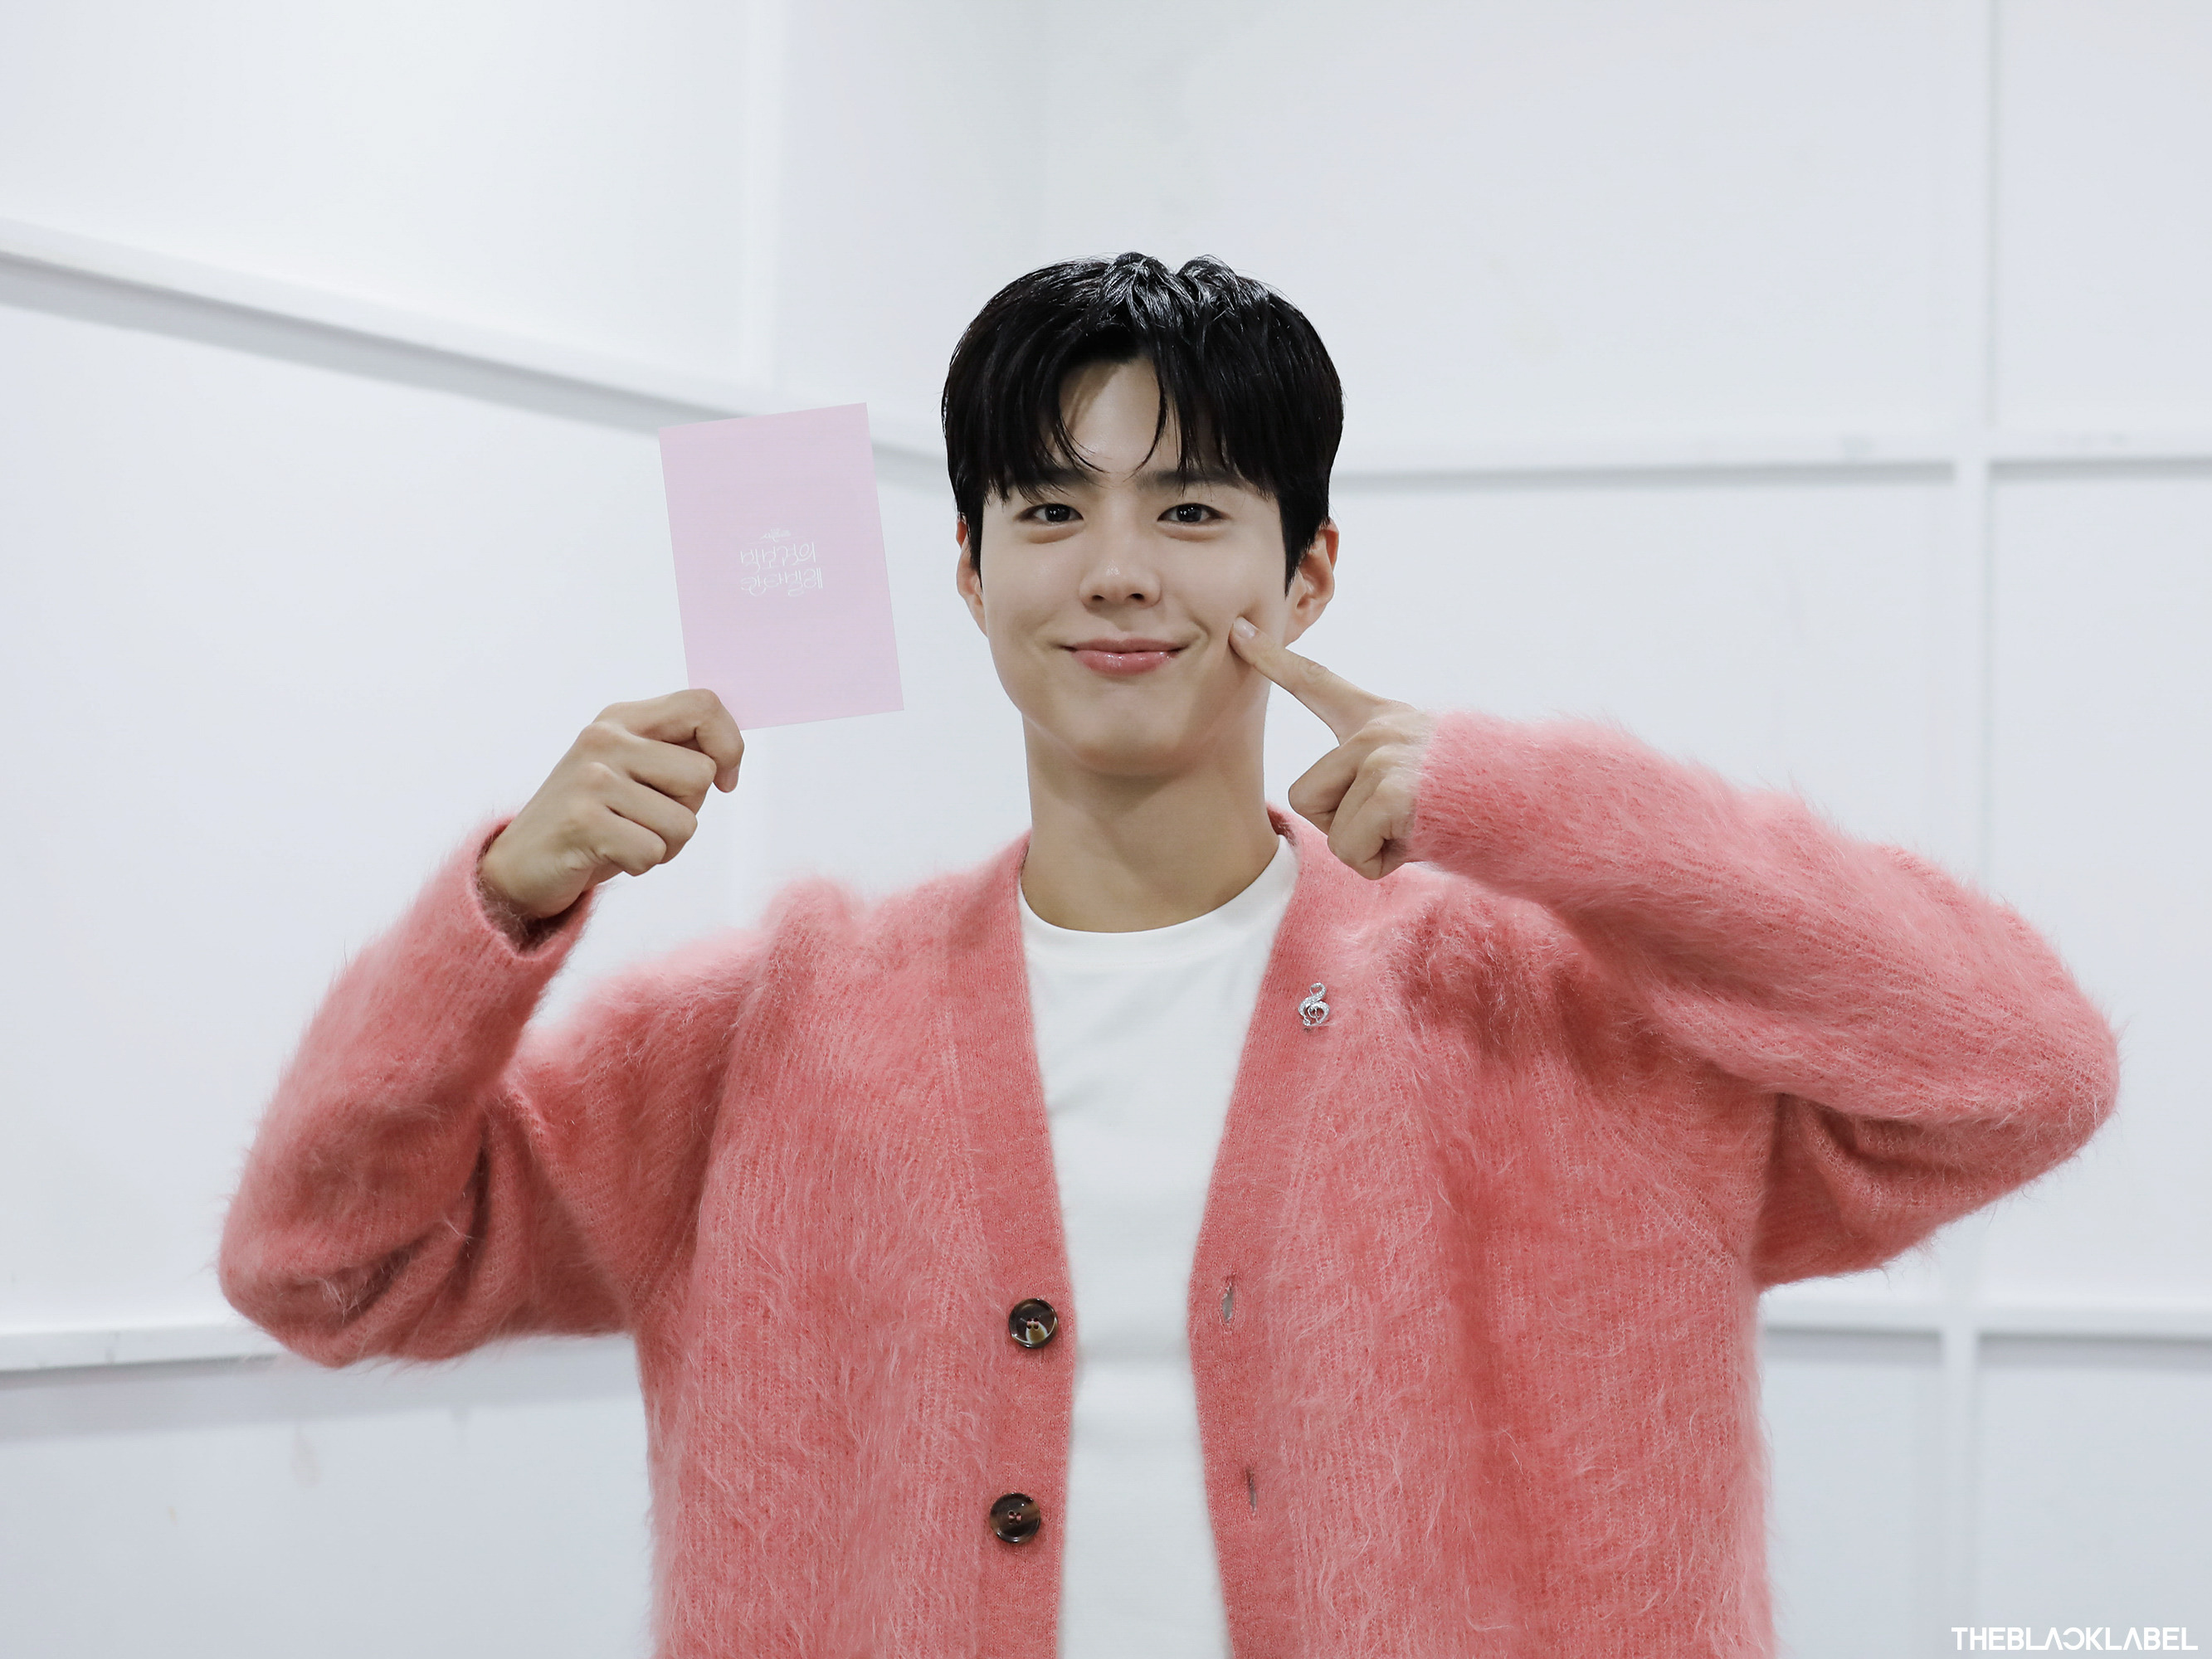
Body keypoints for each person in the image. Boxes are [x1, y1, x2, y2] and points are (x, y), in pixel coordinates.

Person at [217, 252, 2120, 1659]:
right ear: (970, 573)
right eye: (1049, 510)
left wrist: (1525, 800)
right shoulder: (773, 1025)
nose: (1117, 569)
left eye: (1191, 508)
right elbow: (325, 1265)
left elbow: (2018, 1066)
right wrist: (498, 909)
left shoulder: (1541, 1017)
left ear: (1307, 572)